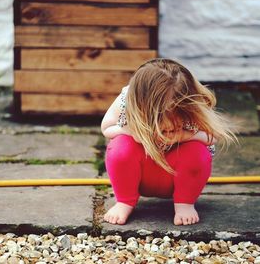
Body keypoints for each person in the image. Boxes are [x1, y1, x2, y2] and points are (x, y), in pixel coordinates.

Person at [101, 58, 237, 226]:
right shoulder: (127, 100)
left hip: (176, 175)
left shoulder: (193, 101)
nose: (166, 133)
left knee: (197, 152)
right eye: (160, 128)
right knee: (119, 148)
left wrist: (183, 136)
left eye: (173, 127)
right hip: (140, 171)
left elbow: (213, 136)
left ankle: (184, 203)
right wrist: (133, 133)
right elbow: (106, 127)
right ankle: (125, 201)